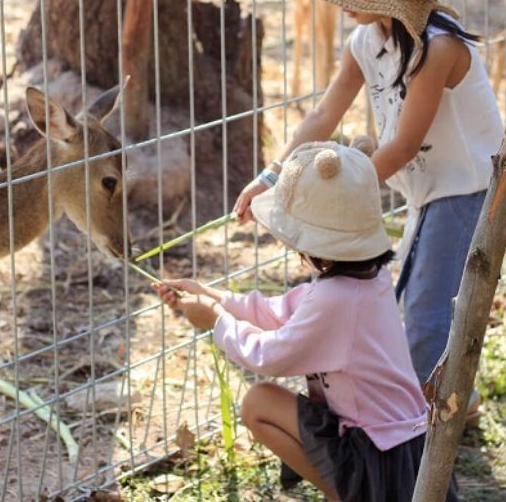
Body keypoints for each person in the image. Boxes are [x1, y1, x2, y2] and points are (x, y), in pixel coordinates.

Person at [233, 0, 504, 395]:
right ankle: (443, 408)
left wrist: (322, 199)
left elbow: (401, 146)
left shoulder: (437, 48)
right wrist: (274, 176)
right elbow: (323, 115)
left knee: (425, 313)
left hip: (466, 191)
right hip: (429, 190)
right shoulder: (366, 39)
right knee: (420, 303)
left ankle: (421, 443)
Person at [153, 141, 459, 501]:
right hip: (402, 449)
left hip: (382, 460)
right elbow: (275, 312)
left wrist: (216, 321)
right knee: (262, 402)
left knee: (258, 404)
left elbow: (269, 356)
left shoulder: (336, 299)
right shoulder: (365, 279)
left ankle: (348, 495)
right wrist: (209, 294)